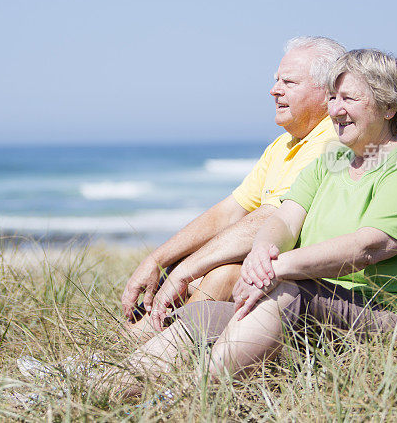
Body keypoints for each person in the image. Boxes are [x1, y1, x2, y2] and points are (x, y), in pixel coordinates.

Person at [113, 48, 397, 395]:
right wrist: (262, 254)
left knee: (288, 290)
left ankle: (189, 397)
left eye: (349, 98)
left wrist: (275, 270)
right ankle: (102, 383)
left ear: (389, 107)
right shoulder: (333, 159)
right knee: (205, 315)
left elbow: (368, 247)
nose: (336, 109)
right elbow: (285, 220)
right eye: (334, 97)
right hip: (327, 306)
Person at [121, 36, 346, 336]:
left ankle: (164, 367)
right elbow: (230, 212)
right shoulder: (284, 144)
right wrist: (158, 260)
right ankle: (119, 361)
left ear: (328, 92)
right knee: (192, 276)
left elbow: (271, 217)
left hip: (318, 287)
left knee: (222, 275)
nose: (274, 89)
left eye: (289, 82)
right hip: (275, 275)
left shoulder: (331, 142)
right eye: (276, 79)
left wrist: (187, 271)